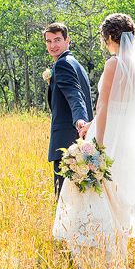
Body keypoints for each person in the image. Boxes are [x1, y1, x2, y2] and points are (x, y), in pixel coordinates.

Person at [53, 13, 135, 269]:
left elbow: (105, 106)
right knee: (120, 205)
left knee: (94, 201)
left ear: (110, 37)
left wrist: (95, 141)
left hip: (111, 139)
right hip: (131, 144)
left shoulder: (114, 64)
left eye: (105, 39)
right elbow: (132, 111)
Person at [43, 22, 94, 199]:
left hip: (68, 144)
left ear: (67, 41)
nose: (52, 45)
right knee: (82, 199)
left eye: (57, 40)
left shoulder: (63, 64)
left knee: (65, 203)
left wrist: (80, 121)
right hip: (82, 142)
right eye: (48, 41)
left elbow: (75, 96)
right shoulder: (76, 64)